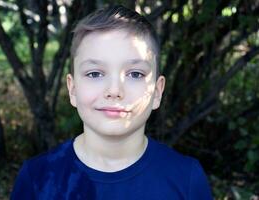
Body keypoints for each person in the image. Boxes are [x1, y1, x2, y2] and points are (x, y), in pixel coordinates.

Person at [11, 5, 213, 200]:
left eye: (135, 74)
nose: (115, 91)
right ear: (72, 89)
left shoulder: (186, 179)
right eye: (95, 73)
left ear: (157, 91)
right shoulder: (36, 178)